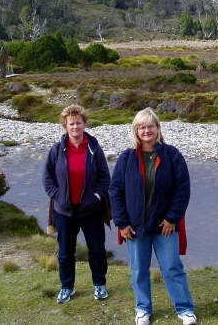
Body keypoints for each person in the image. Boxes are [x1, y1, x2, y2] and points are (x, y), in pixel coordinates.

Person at [109, 108, 197, 325]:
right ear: (136, 130)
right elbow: (115, 191)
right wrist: (121, 222)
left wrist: (172, 217)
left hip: (164, 225)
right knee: (139, 270)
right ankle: (142, 309)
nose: (146, 130)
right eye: (142, 127)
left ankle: (185, 309)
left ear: (158, 128)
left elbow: (182, 188)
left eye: (150, 126)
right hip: (135, 227)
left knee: (172, 267)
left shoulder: (171, 155)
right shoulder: (126, 157)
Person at [42, 105, 111, 303]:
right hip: (65, 211)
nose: (75, 127)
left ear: (84, 123)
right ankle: (67, 287)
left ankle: (99, 284)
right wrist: (58, 196)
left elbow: (104, 178)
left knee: (97, 249)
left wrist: (96, 197)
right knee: (65, 252)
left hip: (91, 210)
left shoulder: (94, 148)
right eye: (71, 123)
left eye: (78, 123)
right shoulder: (56, 150)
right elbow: (47, 178)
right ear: (65, 125)